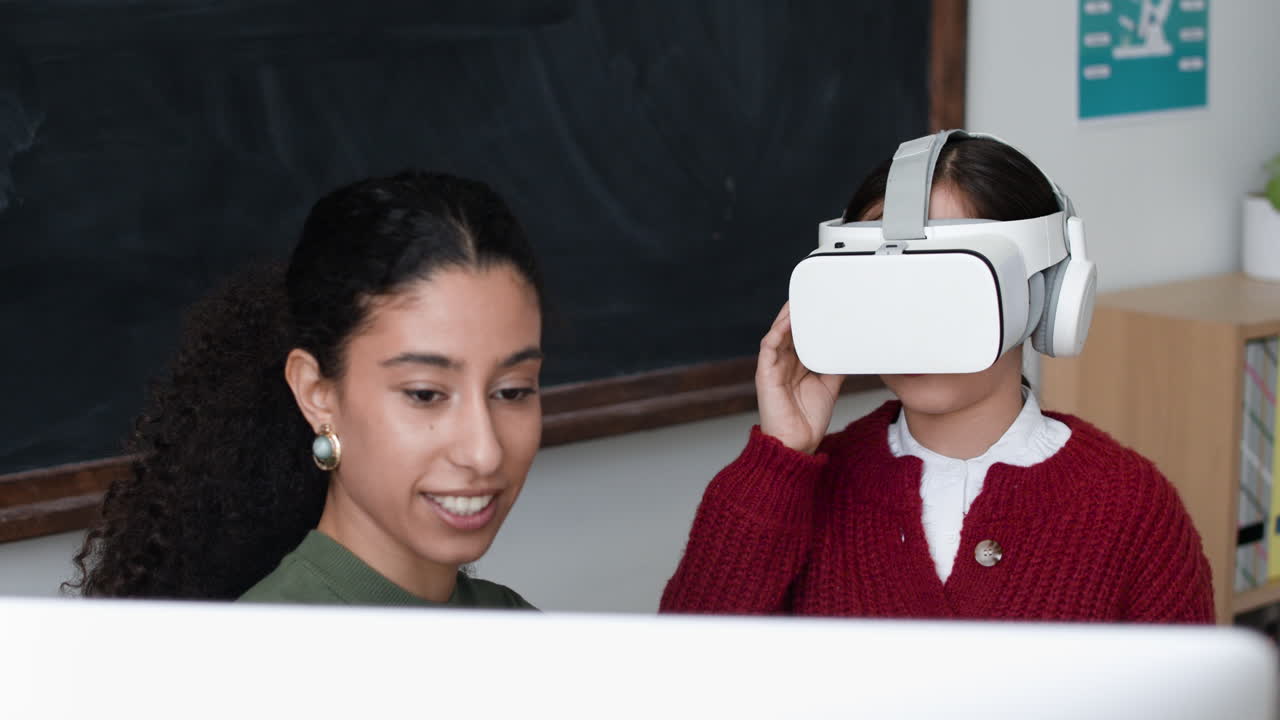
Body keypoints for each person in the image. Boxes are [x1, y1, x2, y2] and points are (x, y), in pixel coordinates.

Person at [660, 133, 1215, 622]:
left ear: (1046, 295)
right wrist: (778, 459)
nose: (914, 325)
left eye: (949, 286)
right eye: (889, 290)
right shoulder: (796, 490)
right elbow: (683, 675)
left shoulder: (1129, 506)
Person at [68, 171, 545, 609]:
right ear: (318, 393)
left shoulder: (521, 629)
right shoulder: (245, 668)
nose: (484, 453)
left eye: (513, 391)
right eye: (424, 394)